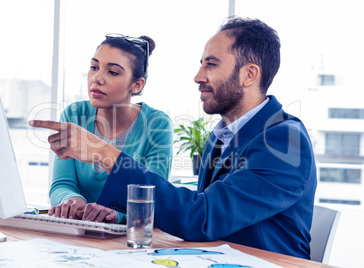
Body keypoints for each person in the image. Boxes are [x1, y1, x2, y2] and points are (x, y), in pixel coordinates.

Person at [30, 17, 317, 259]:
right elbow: (204, 206)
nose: (197, 76)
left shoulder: (284, 141)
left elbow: (202, 217)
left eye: (211, 65)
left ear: (249, 74)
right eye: (202, 64)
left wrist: (105, 153)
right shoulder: (224, 135)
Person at [46, 34, 173, 224]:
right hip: (78, 231)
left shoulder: (157, 124)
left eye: (113, 72)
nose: (97, 78)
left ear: (136, 85)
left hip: (126, 237)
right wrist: (71, 200)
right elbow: (61, 184)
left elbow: (153, 197)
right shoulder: (74, 115)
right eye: (94, 67)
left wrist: (115, 213)